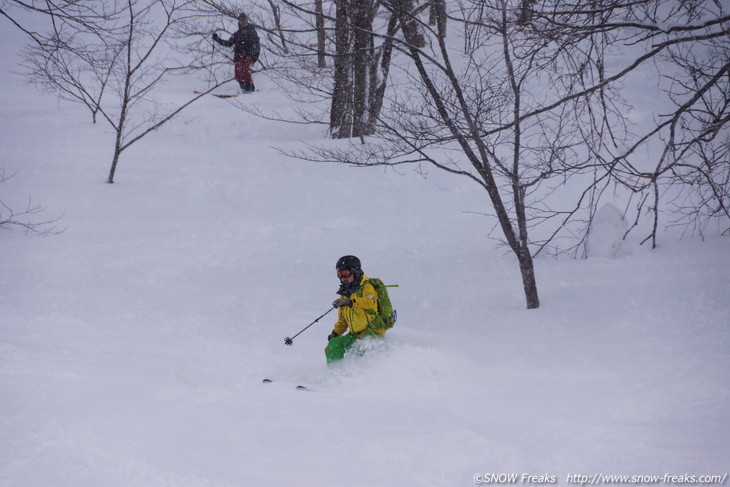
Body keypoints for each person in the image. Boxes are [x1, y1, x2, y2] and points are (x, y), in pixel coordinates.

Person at [325, 255, 389, 363]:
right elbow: (343, 320)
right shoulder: (345, 293)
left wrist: (350, 302)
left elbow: (368, 302)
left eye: (345, 273)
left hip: (372, 333)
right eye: (339, 275)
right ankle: (334, 373)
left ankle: (365, 377)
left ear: (355, 271)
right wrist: (335, 333)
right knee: (333, 345)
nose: (342, 278)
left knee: (360, 352)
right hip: (355, 335)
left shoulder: (367, 286)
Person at [212, 13, 260, 93]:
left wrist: (254, 56)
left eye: (244, 20)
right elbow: (228, 43)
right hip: (239, 57)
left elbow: (256, 45)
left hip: (247, 56)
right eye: (240, 20)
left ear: (247, 20)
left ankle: (250, 89)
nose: (242, 22)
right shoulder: (238, 33)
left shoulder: (251, 31)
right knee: (238, 74)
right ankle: (245, 89)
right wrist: (217, 39)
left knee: (244, 72)